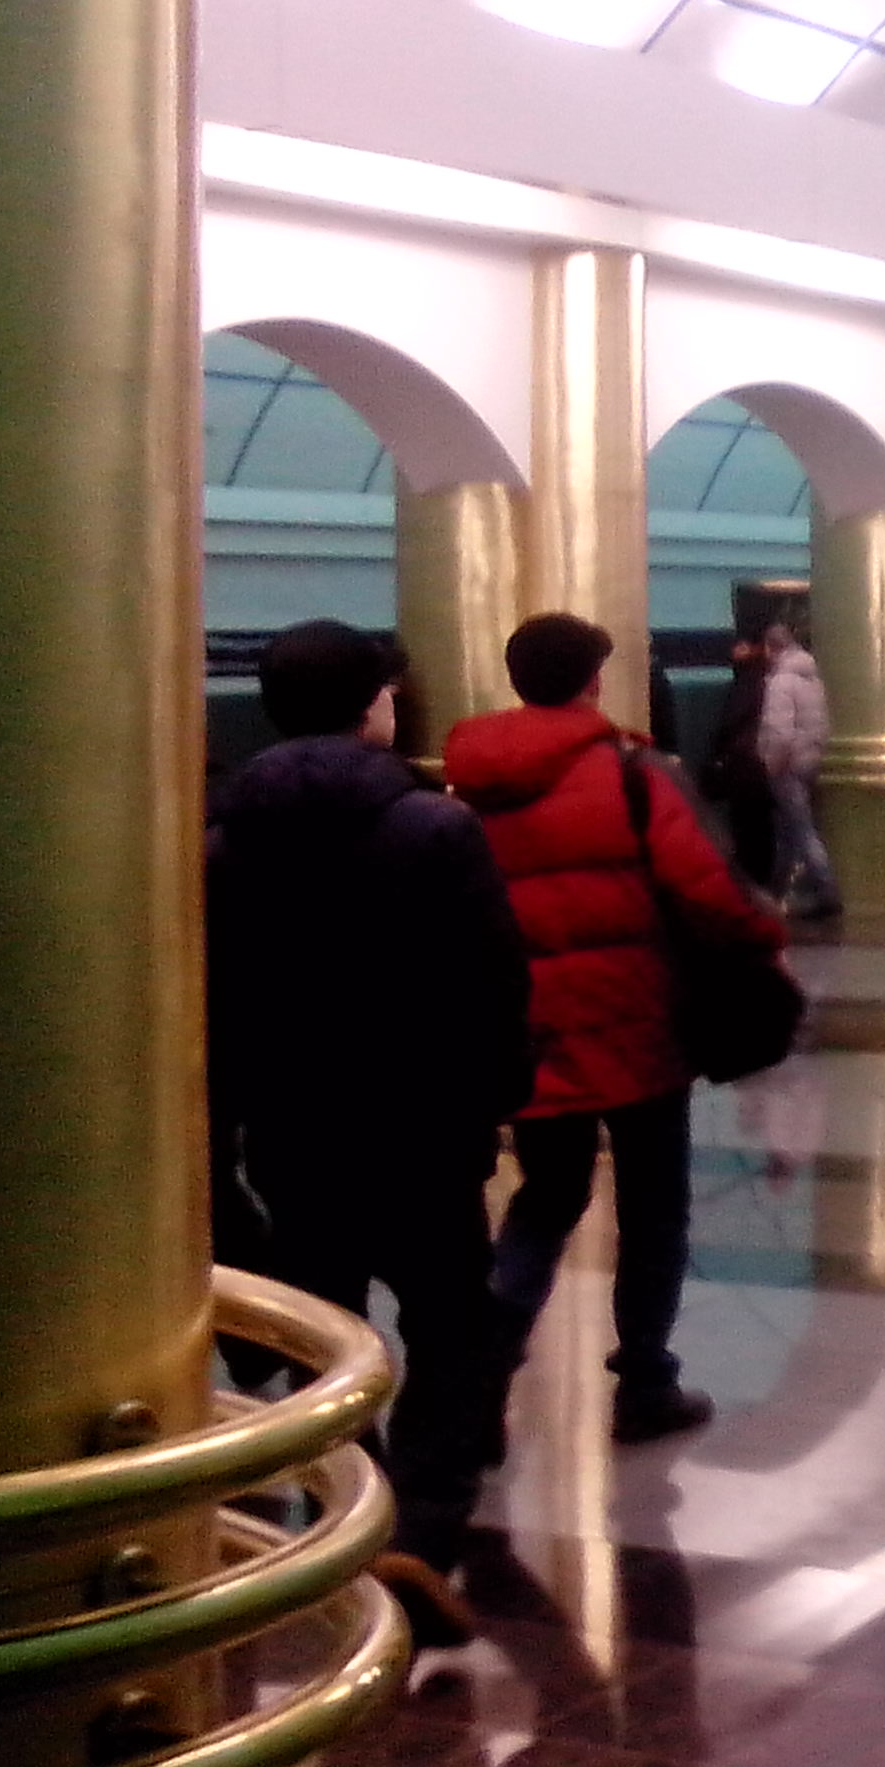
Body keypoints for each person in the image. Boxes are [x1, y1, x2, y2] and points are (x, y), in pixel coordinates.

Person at [207, 620, 534, 1650]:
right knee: (453, 1330)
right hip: (424, 1128)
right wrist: (498, 1098)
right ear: (373, 705)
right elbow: (494, 982)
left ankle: (360, 1508)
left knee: (323, 1331)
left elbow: (213, 1001)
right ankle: (426, 1532)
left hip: (293, 1129)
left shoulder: (225, 841)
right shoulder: (435, 830)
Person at [445, 613, 789, 1443]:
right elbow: (707, 889)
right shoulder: (634, 774)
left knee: (544, 1201)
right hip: (639, 1026)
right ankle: (644, 1385)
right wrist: (767, 935)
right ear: (594, 680)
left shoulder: (468, 784)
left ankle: (482, 1378)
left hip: (531, 1030)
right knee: (655, 1210)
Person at [755, 619, 841, 918]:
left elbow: (779, 731)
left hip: (788, 765)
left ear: (771, 648)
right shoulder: (812, 679)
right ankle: (775, 891)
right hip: (810, 759)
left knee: (801, 830)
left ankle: (827, 892)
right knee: (789, 830)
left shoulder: (780, 682)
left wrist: (772, 763)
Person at [704, 636, 778, 890]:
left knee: (748, 824)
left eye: (741, 645)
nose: (735, 650)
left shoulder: (747, 680)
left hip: (745, 764)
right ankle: (762, 877)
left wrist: (717, 749)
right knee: (761, 824)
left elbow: (731, 720)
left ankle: (752, 879)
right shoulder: (766, 678)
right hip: (760, 763)